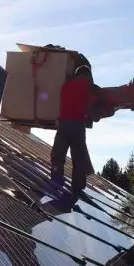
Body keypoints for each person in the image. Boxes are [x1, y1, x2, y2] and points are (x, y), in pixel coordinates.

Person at [50, 61, 95, 202]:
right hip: (77, 125)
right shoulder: (87, 86)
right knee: (78, 157)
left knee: (59, 153)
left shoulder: (66, 85)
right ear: (86, 75)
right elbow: (91, 104)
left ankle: (56, 179)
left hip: (63, 123)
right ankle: (77, 186)